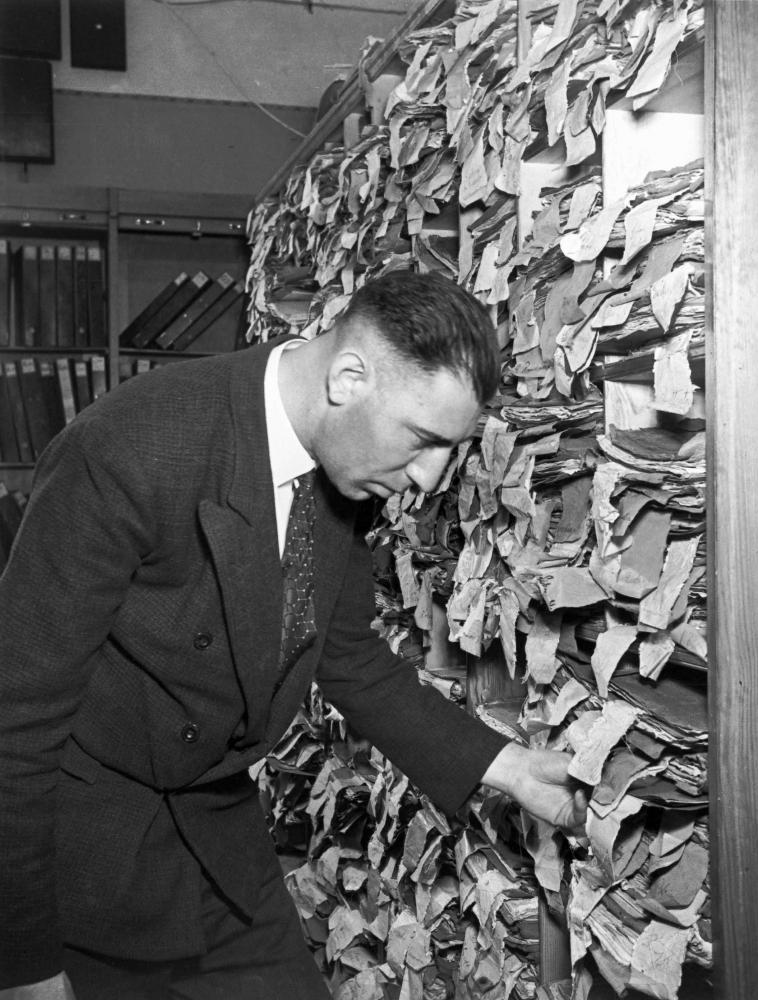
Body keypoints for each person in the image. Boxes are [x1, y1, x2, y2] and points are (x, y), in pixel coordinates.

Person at [0, 271, 586, 1000]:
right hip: (85, 858)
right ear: (348, 376)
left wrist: (512, 769)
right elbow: (14, 724)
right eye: (425, 440)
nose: (431, 480)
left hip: (217, 841)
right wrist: (22, 964)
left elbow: (343, 657)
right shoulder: (126, 449)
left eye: (451, 451)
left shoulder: (346, 470)